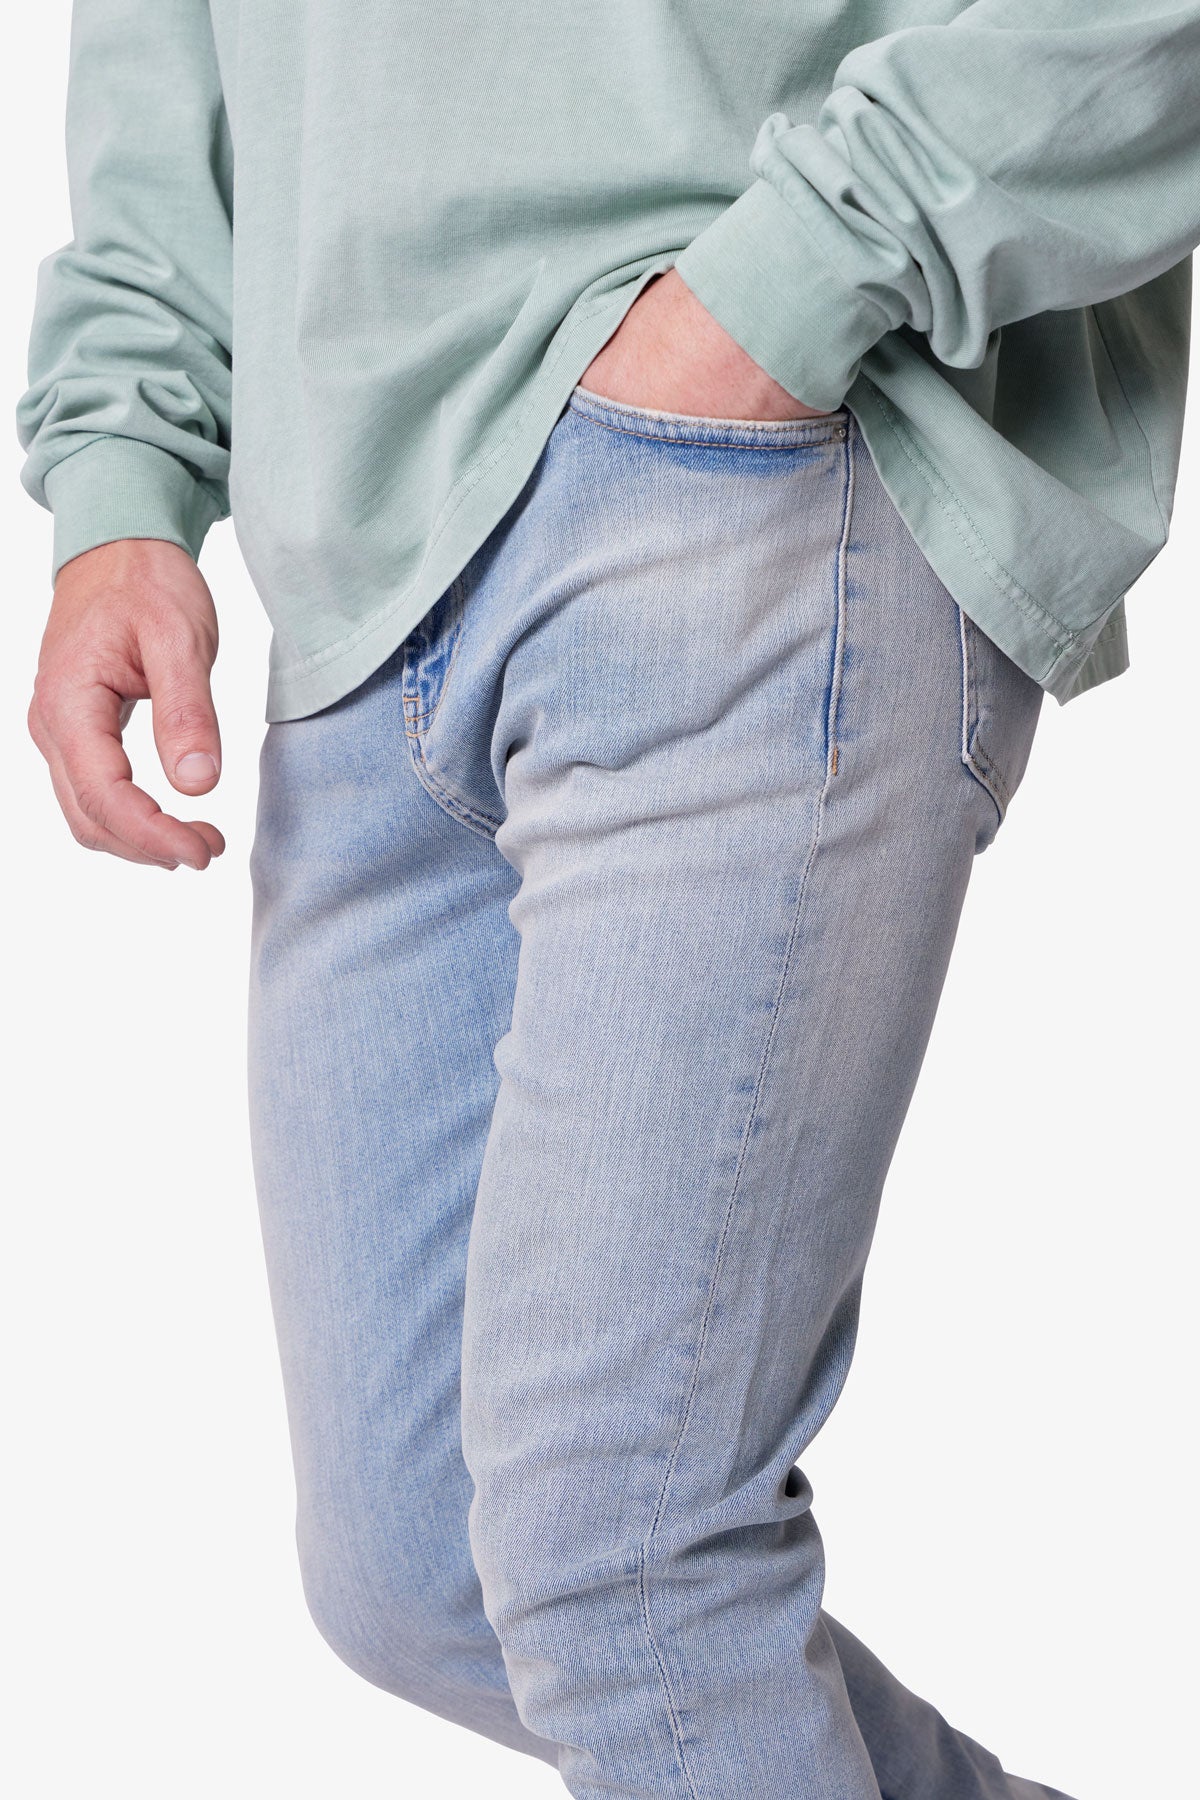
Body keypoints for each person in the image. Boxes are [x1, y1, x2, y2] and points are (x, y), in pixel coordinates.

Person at [17, 3, 1198, 1795]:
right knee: (426, 1574)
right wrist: (124, 474)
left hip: (743, 457)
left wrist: (800, 277)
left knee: (617, 1565)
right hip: (356, 567)